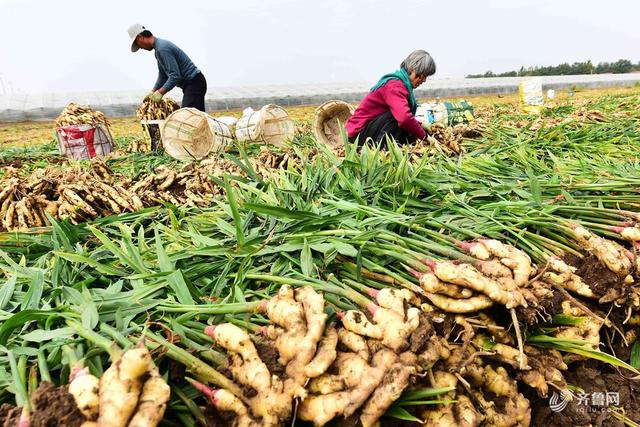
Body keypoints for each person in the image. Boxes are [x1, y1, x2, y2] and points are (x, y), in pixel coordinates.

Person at [346, 50, 436, 147]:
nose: (424, 80)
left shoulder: (401, 84)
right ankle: (383, 150)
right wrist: (425, 137)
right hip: (358, 135)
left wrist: (421, 125)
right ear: (414, 69)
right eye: (424, 75)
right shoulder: (394, 86)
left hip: (372, 128)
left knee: (411, 131)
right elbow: (404, 118)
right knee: (397, 117)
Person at [127, 24, 207, 111]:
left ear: (140, 37)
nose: (141, 48)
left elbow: (175, 76)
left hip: (194, 83)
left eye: (138, 44)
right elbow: (163, 75)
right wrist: (153, 91)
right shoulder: (158, 50)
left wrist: (160, 93)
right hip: (192, 85)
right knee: (194, 120)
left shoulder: (162, 48)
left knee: (187, 117)